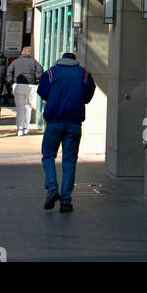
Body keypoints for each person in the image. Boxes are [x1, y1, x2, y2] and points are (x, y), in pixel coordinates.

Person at [37, 50, 95, 213]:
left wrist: (55, 98)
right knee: (69, 161)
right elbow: (88, 95)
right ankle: (66, 200)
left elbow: (42, 92)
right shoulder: (84, 74)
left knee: (48, 155)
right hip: (74, 123)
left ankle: (52, 186)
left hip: (54, 121)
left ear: (60, 60)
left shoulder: (51, 72)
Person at [6, 46, 43, 136]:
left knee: (20, 107)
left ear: (22, 52)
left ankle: (20, 128)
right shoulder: (34, 62)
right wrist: (36, 81)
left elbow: (9, 72)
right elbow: (40, 71)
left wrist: (10, 83)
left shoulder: (15, 62)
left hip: (18, 85)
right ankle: (26, 127)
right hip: (31, 85)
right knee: (28, 106)